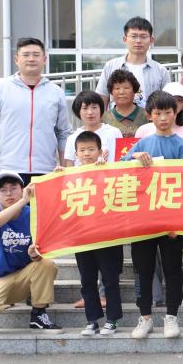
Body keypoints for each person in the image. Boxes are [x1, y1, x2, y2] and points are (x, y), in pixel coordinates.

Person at [123, 91, 183, 339]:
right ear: (149, 115)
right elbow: (119, 170)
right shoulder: (142, 143)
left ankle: (171, 316)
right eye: (158, 113)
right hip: (143, 218)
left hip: (170, 219)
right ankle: (145, 317)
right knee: (142, 269)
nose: (163, 118)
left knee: (173, 269)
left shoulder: (182, 145)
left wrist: (180, 221)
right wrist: (134, 156)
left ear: (176, 113)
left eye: (168, 112)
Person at [0, 172, 59, 333]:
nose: (9, 193)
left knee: (46, 264)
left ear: (22, 189)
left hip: (20, 279)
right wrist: (23, 201)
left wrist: (34, 254)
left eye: (13, 188)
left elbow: (39, 251)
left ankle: (39, 314)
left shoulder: (33, 214)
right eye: (3, 190)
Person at [0, 38, 71, 189]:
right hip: (9, 169)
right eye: (26, 55)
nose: (31, 59)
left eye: (36, 54)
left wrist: (66, 168)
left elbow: (63, 132)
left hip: (46, 170)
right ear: (16, 59)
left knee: (42, 207)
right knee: (11, 206)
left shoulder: (56, 92)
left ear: (44, 59)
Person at [67, 131, 123, 336]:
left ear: (100, 151)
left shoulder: (109, 172)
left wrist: (105, 170)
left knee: (110, 280)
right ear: (76, 154)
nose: (87, 154)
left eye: (91, 149)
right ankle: (92, 320)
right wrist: (57, 175)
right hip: (83, 237)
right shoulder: (70, 176)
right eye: (82, 150)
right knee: (87, 281)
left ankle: (112, 320)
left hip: (108, 236)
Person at [95, 17, 171, 108]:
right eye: (134, 36)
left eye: (143, 37)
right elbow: (102, 98)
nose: (138, 41)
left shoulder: (161, 70)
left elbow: (168, 102)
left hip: (149, 117)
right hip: (116, 117)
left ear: (151, 40)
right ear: (125, 39)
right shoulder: (111, 66)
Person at [63, 91, 120, 166]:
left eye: (94, 107)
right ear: (78, 112)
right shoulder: (72, 139)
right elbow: (69, 168)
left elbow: (122, 161)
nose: (90, 112)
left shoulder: (114, 133)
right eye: (85, 108)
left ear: (101, 109)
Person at [101, 69, 149, 137]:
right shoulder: (104, 119)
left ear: (134, 90)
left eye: (126, 88)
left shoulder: (147, 115)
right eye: (117, 88)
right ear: (111, 92)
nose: (122, 92)